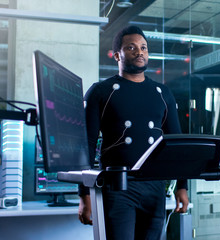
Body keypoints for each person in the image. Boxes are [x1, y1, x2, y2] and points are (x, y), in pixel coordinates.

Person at [78, 25, 189, 240]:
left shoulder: (162, 93)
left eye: (144, 47)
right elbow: (87, 143)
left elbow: (176, 144)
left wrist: (181, 187)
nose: (139, 52)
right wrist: (84, 194)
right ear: (117, 55)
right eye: (131, 47)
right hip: (117, 186)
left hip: (155, 186)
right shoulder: (101, 91)